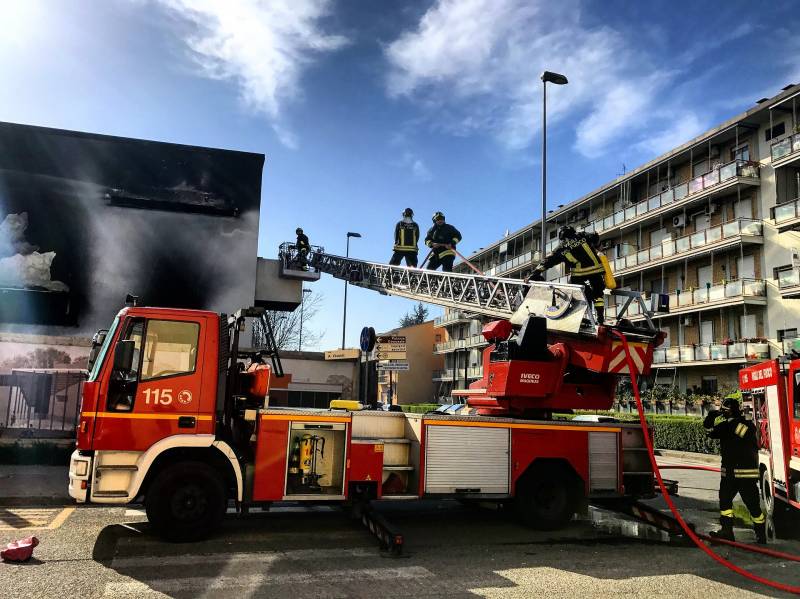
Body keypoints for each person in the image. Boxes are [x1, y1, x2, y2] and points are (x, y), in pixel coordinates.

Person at [704, 396, 766, 544]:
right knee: (725, 503)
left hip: (743, 476)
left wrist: (729, 420)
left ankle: (761, 534)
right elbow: (709, 431)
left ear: (729, 412)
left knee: (753, 506)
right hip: (731, 476)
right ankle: (727, 532)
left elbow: (742, 432)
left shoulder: (743, 426)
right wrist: (710, 418)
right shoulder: (727, 426)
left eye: (724, 411)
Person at [530, 225, 607, 323]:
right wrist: (598, 246)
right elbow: (595, 236)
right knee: (598, 294)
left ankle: (588, 297)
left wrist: (534, 274)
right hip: (596, 270)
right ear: (573, 231)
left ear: (561, 237)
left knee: (575, 291)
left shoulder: (560, 249)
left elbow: (548, 262)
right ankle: (600, 318)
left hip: (579, 274)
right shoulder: (583, 236)